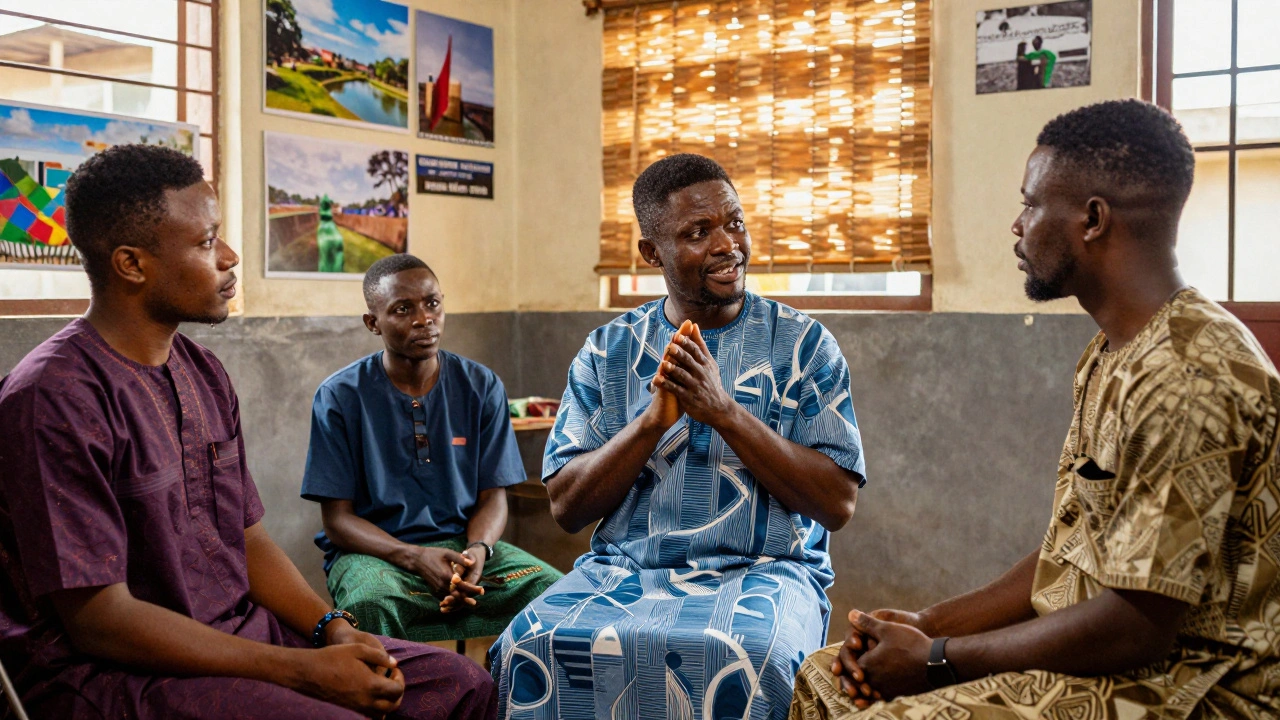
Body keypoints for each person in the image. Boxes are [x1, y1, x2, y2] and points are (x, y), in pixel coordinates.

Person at [791, 100, 1280, 719]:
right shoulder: (1110, 353)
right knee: (823, 678)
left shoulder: (1189, 372)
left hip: (1196, 687)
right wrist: (925, 623)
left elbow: (1137, 624)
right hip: (1122, 662)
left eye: (1030, 203)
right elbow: (1066, 555)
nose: (1017, 226)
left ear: (1093, 219)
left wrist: (938, 659)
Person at [0, 144, 496, 719]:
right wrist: (304, 671)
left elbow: (248, 538)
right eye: (208, 241)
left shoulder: (202, 371)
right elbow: (100, 621)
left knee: (459, 684)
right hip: (115, 674)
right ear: (131, 264)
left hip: (243, 635)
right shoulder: (52, 398)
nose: (231, 256)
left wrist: (329, 629)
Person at [489, 153, 867, 719]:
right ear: (650, 252)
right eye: (698, 231)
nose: (727, 244)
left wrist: (725, 413)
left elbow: (837, 504)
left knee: (752, 656)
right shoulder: (607, 351)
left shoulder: (803, 345)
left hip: (765, 572)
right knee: (529, 644)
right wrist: (650, 424)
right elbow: (566, 507)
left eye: (734, 222)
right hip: (625, 572)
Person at [300, 254, 563, 643]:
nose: (424, 319)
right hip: (377, 555)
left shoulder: (480, 386)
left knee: (556, 594)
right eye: (403, 309)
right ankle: (389, 703)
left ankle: (513, 704)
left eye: (433, 304)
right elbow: (337, 521)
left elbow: (494, 497)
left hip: (462, 545)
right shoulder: (340, 396)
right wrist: (413, 556)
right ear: (373, 323)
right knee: (371, 605)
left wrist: (478, 550)